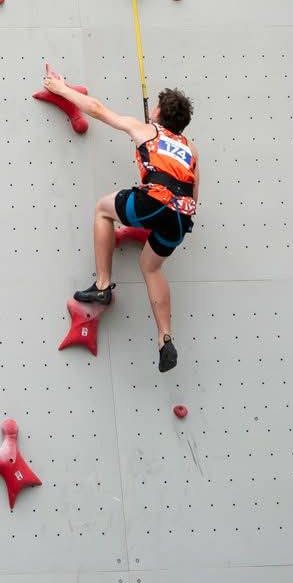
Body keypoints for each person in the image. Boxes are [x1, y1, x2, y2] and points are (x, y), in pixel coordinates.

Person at [42, 63, 199, 372]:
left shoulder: (147, 130)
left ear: (157, 113)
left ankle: (102, 284)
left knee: (103, 209)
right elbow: (194, 196)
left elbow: (98, 110)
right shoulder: (190, 148)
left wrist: (61, 89)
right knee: (151, 267)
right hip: (181, 218)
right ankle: (164, 338)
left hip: (155, 202)